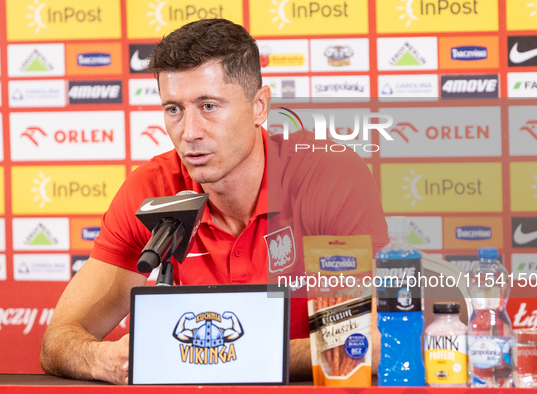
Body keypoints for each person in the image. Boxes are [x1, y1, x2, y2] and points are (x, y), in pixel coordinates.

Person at [39, 18, 388, 385]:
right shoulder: (152, 189)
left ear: (259, 106)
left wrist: (206, 357)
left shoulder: (328, 177)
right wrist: (100, 359)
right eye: (174, 109)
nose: (189, 132)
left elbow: (364, 345)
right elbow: (58, 341)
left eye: (208, 106)